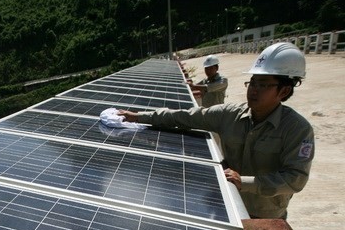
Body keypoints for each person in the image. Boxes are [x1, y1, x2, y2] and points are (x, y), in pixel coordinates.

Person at [118, 42, 314, 219]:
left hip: (264, 215)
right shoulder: (230, 115)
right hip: (227, 204)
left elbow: (295, 179)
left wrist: (244, 182)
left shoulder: (297, 129)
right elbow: (185, 116)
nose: (253, 90)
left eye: (262, 85)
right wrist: (139, 116)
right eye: (252, 82)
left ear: (284, 91)